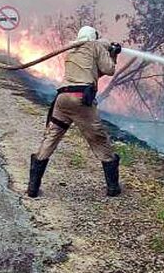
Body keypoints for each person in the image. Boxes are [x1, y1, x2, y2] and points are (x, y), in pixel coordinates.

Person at [27, 26, 123, 197]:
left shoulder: (71, 50)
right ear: (94, 38)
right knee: (99, 139)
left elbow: (92, 70)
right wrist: (112, 53)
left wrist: (106, 48)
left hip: (62, 99)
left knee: (52, 136)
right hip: (81, 100)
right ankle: (113, 187)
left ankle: (33, 188)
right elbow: (109, 69)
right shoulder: (96, 47)